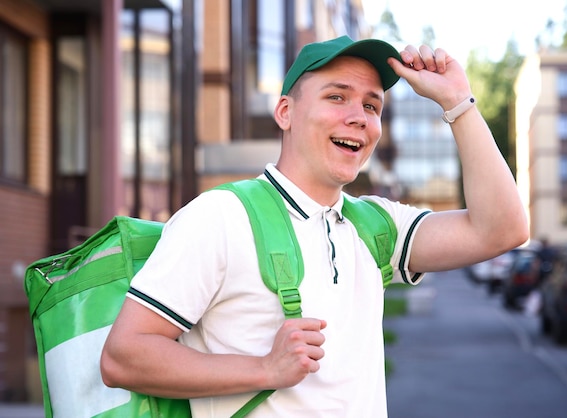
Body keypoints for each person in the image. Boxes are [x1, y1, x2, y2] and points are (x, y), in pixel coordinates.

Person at [101, 36, 528, 417]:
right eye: (337, 97)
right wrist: (265, 369)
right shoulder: (220, 216)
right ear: (285, 112)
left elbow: (502, 229)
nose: (359, 117)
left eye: (371, 105)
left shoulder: (377, 226)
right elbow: (124, 357)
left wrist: (458, 103)